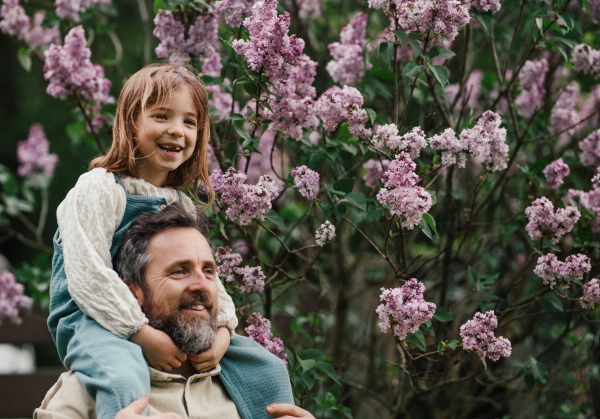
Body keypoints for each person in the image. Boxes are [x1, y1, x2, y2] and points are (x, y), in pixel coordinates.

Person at [48, 62, 238, 419]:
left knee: (264, 365)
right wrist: (139, 333)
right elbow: (87, 274)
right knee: (124, 377)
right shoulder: (99, 188)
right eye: (162, 116)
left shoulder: (179, 201)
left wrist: (224, 331)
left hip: (157, 318)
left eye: (189, 121)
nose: (176, 131)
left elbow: (211, 280)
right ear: (130, 122)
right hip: (88, 319)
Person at [36, 204, 311, 419]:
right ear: (132, 293)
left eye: (209, 271)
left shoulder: (257, 383)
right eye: (179, 271)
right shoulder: (90, 389)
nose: (202, 285)